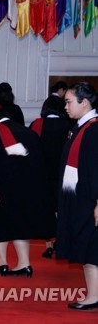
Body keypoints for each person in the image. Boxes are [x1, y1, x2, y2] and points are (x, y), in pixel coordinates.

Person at [0, 107, 55, 278]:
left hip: (1, 187)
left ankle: (2, 263)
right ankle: (24, 264)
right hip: (28, 188)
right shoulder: (28, 132)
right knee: (21, 224)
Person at [56, 82, 98, 310]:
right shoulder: (81, 127)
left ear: (85, 102)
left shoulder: (93, 129)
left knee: (91, 246)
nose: (65, 107)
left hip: (89, 200)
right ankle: (93, 293)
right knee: (86, 244)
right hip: (80, 198)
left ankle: (93, 296)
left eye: (69, 102)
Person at [29, 96, 71, 259]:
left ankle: (48, 244)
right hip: (63, 174)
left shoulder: (37, 124)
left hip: (42, 174)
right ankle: (61, 241)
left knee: (47, 209)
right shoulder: (69, 125)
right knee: (60, 209)